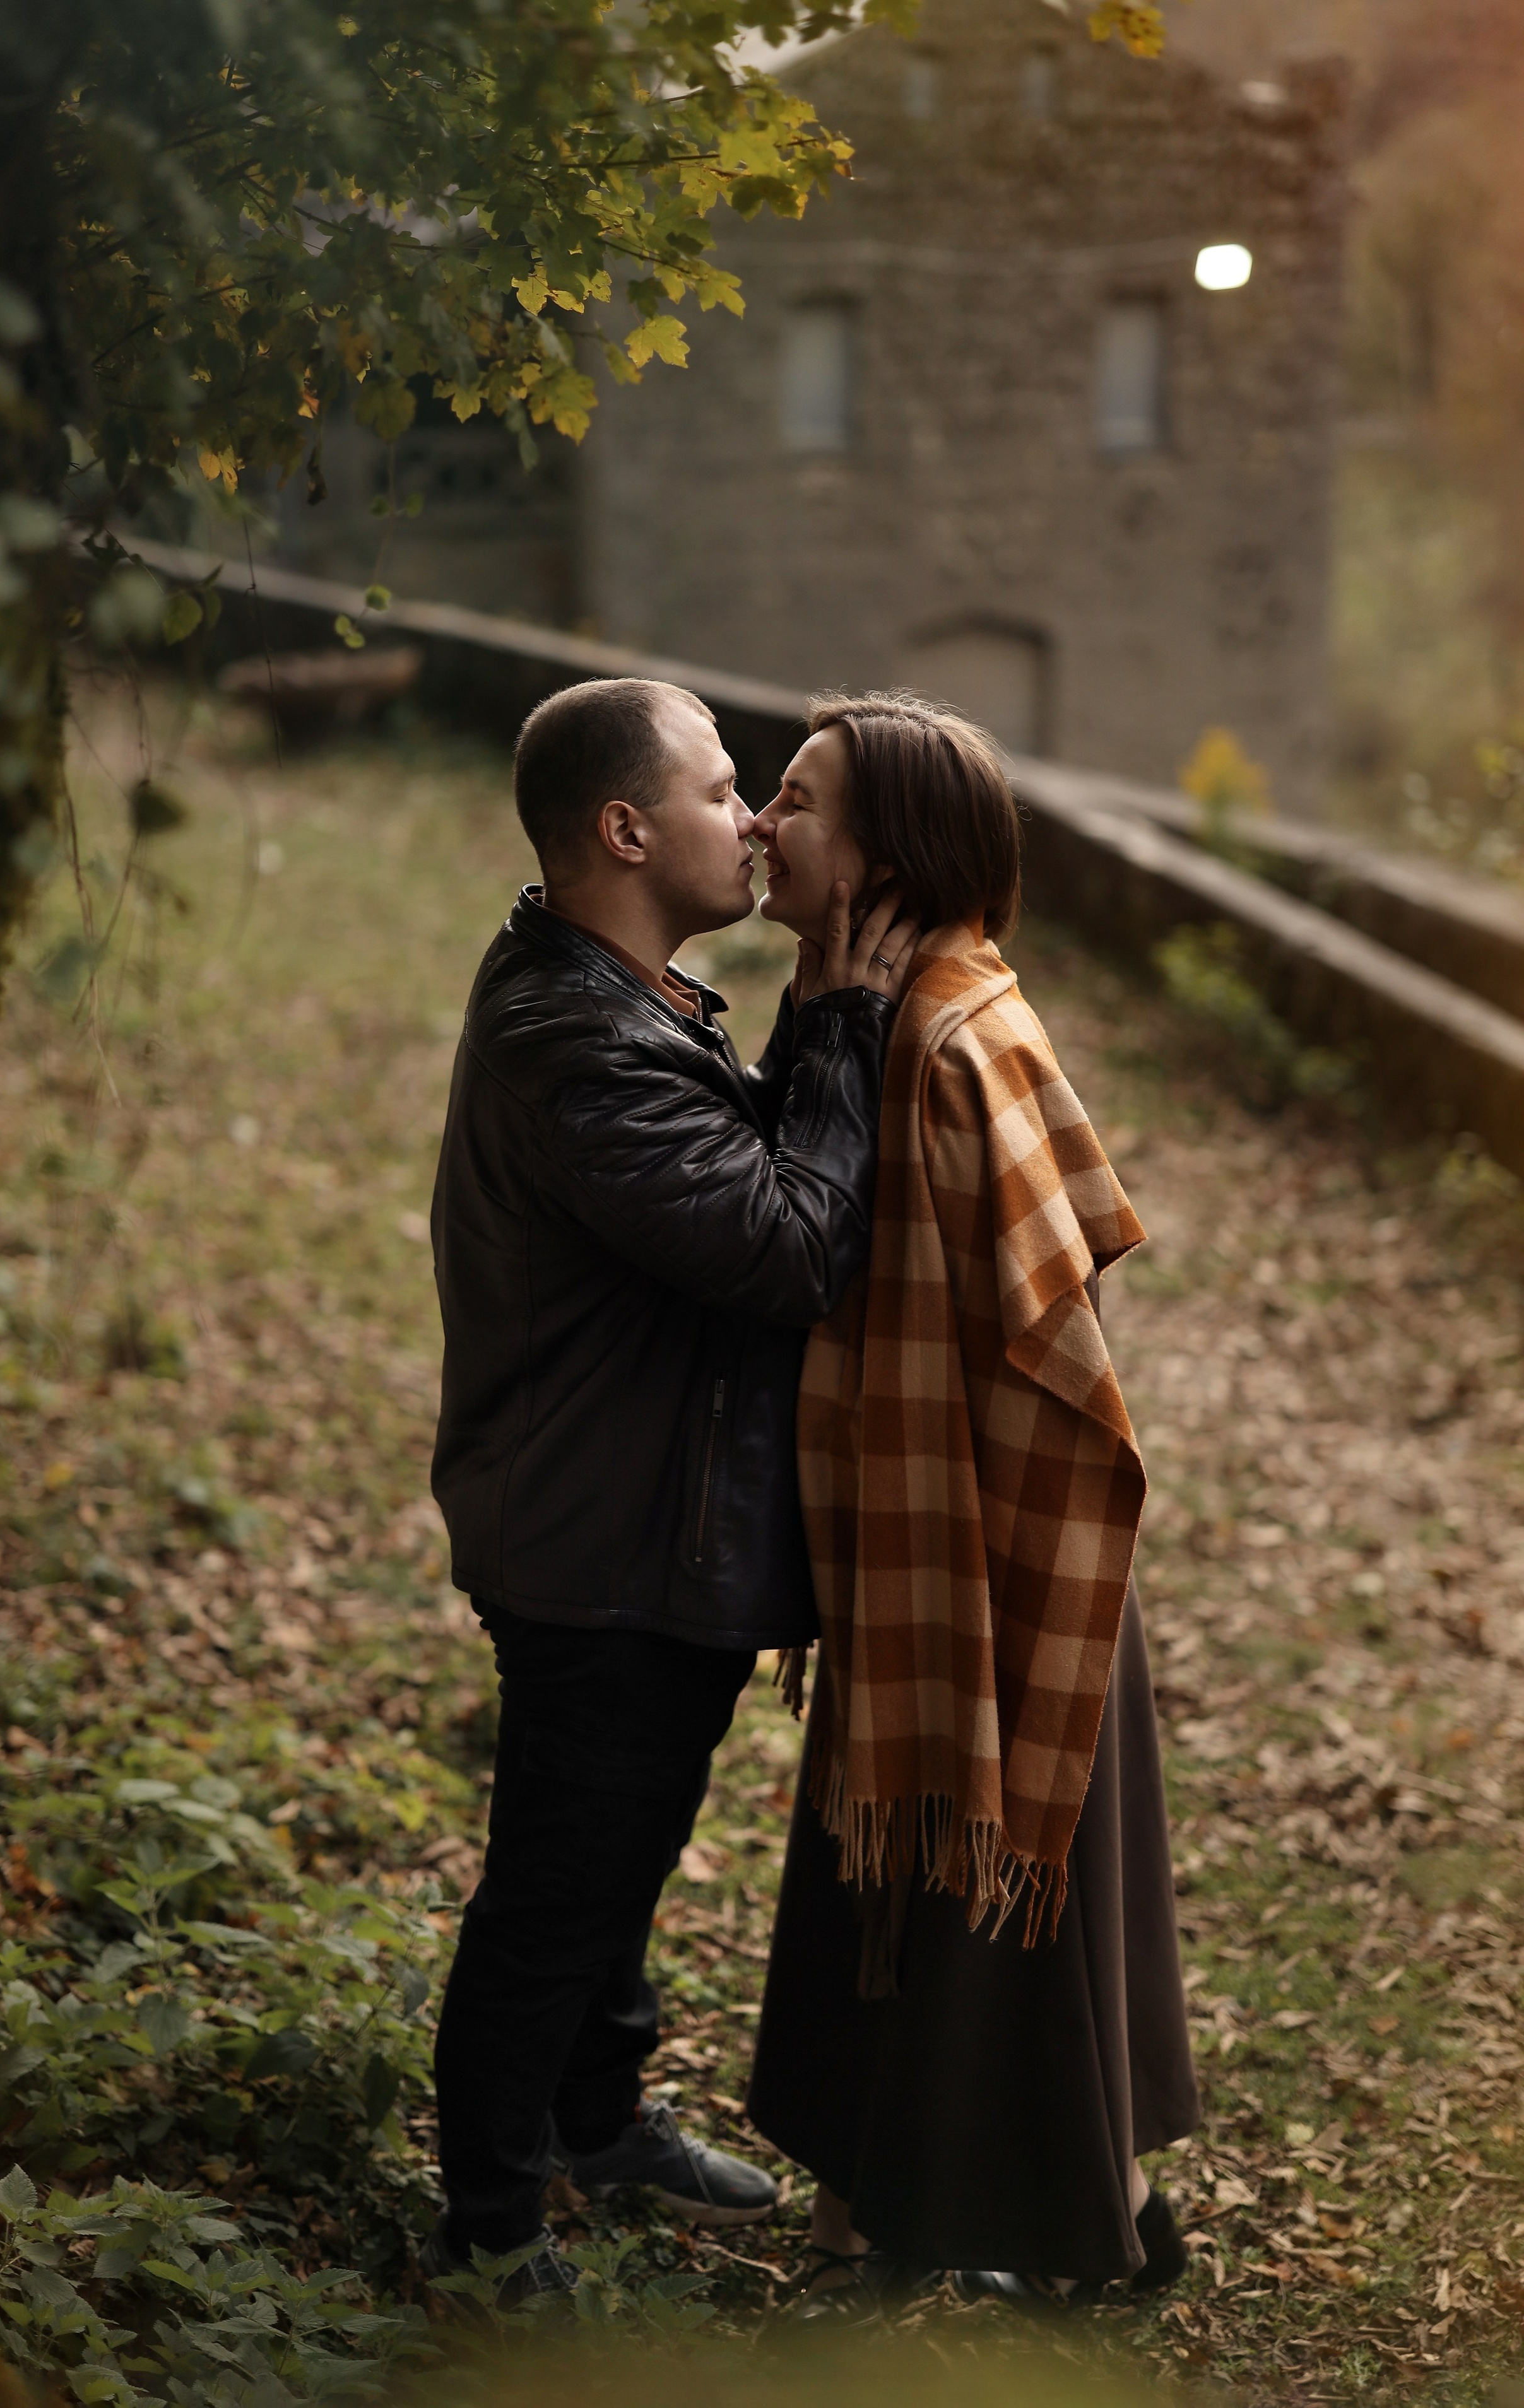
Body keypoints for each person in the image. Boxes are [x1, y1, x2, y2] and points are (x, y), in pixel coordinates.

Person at [423, 675, 919, 2301]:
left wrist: (810, 1022)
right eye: (725, 792)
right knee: (561, 1880)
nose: (760, 819)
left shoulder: (618, 990)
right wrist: (840, 1013)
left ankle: (598, 2118)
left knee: (620, 1855)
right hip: (596, 1543)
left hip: (639, 1518)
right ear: (625, 829)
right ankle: (493, 2219)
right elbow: (785, 1246)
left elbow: (743, 1182)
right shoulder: (573, 1035)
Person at [744, 692, 1200, 2311]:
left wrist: (976, 1528)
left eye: (794, 800)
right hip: (938, 1525)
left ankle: (986, 2224)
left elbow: (1025, 1316)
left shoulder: (937, 1033)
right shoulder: (880, 1000)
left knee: (995, 1871)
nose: (759, 821)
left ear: (883, 852)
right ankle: (985, 2214)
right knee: (935, 1864)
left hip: (998, 1538)